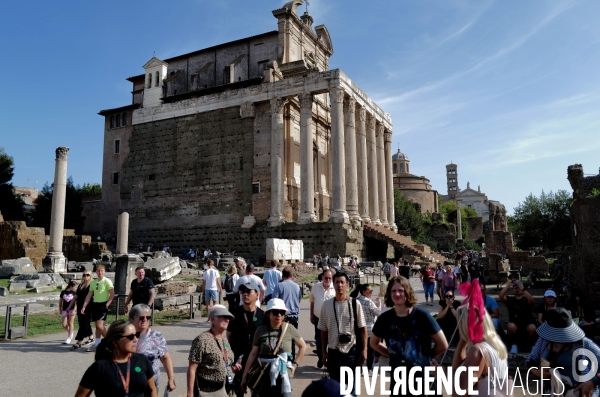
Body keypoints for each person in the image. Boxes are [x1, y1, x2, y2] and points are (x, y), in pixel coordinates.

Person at [370, 276, 448, 396]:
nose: (397, 294)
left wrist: (424, 356)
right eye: (393, 291)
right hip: (399, 382)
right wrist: (394, 353)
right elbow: (374, 343)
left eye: (401, 290)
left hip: (424, 380)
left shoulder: (423, 316)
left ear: (407, 292)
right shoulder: (384, 319)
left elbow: (443, 344)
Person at [452, 280, 510, 396]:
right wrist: (464, 338)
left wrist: (442, 374)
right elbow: (457, 366)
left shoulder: (478, 351)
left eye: (460, 324)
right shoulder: (495, 345)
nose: (458, 328)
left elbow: (459, 392)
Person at [527, 307, 600, 397]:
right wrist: (537, 372)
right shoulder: (544, 340)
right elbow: (531, 361)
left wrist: (593, 381)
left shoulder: (582, 343)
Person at [241, 298, 306, 397]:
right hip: (263, 373)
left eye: (282, 312)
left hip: (283, 373)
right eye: (275, 312)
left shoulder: (289, 328)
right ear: (268, 314)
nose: (279, 315)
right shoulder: (260, 330)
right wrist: (244, 377)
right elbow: (253, 354)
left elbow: (303, 346)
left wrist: (295, 365)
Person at [74, 320, 157, 397]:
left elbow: (152, 390)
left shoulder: (142, 360)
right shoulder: (100, 367)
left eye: (137, 335)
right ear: (115, 341)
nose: (136, 339)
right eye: (131, 337)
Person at [318, 272, 367, 393]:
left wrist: (364, 350)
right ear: (333, 285)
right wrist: (323, 351)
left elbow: (362, 328)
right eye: (337, 282)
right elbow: (323, 330)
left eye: (342, 282)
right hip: (334, 353)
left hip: (351, 352)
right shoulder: (326, 305)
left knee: (352, 390)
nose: (339, 285)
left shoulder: (355, 304)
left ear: (347, 285)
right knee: (335, 390)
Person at [187, 305, 242, 397]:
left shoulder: (224, 340)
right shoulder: (202, 340)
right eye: (223, 317)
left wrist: (233, 368)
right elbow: (192, 369)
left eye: (228, 318)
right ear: (212, 319)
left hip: (227, 391)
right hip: (209, 392)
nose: (227, 320)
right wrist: (190, 393)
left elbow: (223, 363)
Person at [227, 279, 267, 397]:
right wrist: (234, 351)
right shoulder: (234, 313)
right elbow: (229, 335)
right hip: (239, 357)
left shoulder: (262, 315)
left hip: (256, 360)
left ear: (257, 294)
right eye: (243, 291)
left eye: (249, 291)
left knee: (256, 391)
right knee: (239, 390)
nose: (245, 294)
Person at [129, 304, 176, 393]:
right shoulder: (125, 336)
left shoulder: (156, 336)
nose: (145, 320)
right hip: (129, 382)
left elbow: (165, 358)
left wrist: (171, 378)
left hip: (151, 385)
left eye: (148, 317)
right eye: (141, 318)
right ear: (132, 319)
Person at [81, 265, 115, 352]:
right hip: (95, 305)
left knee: (100, 326)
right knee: (97, 326)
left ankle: (111, 342)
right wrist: (84, 306)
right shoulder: (93, 282)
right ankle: (96, 344)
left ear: (104, 271)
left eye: (102, 271)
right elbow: (89, 295)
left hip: (103, 305)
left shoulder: (107, 281)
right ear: (96, 272)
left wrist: (107, 304)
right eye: (98, 271)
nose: (100, 273)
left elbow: (112, 294)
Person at [350, 283, 382, 373]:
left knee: (359, 348)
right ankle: (369, 368)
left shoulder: (356, 300)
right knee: (370, 349)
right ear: (364, 292)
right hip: (369, 329)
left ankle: (359, 368)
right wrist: (379, 304)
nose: (372, 292)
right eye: (370, 291)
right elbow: (378, 313)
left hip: (358, 328)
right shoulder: (368, 302)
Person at [499, 278, 536, 354]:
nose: (518, 289)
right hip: (515, 324)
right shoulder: (510, 300)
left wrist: (523, 289)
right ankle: (514, 345)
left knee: (532, 327)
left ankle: (532, 346)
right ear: (513, 290)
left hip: (527, 324)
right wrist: (508, 285)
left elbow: (532, 301)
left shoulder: (526, 299)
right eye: (516, 287)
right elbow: (501, 296)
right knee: (510, 326)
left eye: (519, 288)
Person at [309, 269, 335, 369]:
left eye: (329, 278)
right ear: (322, 277)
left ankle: (330, 360)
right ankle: (320, 357)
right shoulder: (316, 287)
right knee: (319, 340)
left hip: (331, 319)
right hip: (318, 318)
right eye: (326, 278)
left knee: (331, 340)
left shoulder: (335, 288)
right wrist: (311, 315)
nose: (328, 280)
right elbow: (312, 302)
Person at [67, 270, 95, 349]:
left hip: (88, 307)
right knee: (83, 323)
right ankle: (91, 337)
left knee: (84, 324)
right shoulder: (80, 285)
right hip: (80, 306)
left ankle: (78, 342)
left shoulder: (92, 285)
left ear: (90, 276)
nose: (85, 276)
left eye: (87, 275)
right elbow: (76, 297)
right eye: (84, 275)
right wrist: (70, 307)